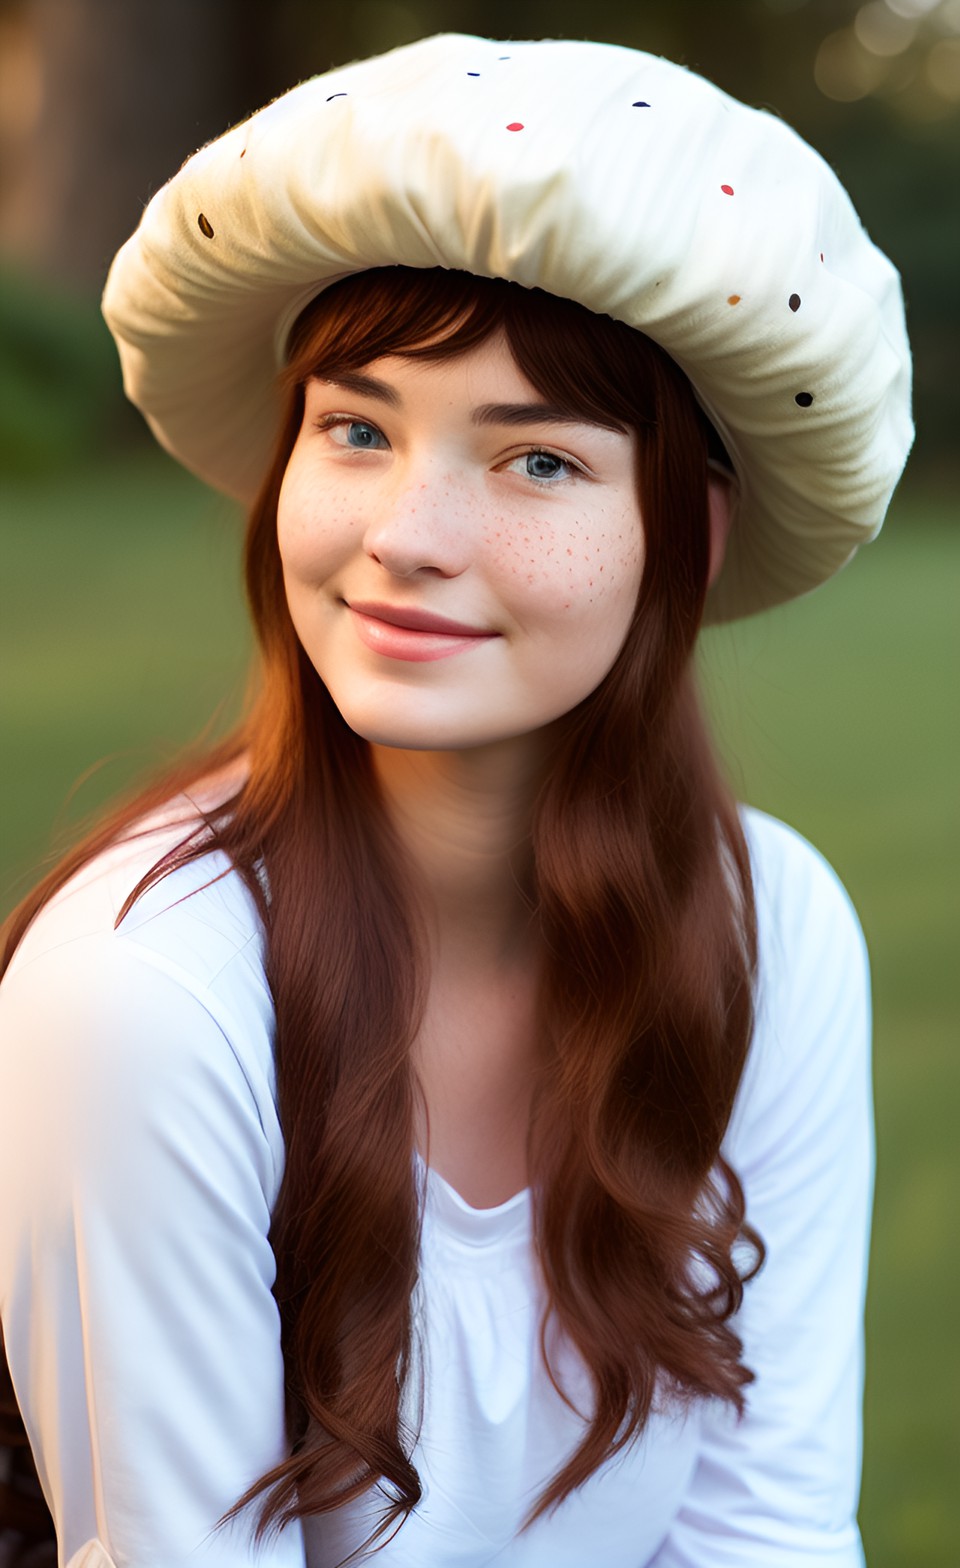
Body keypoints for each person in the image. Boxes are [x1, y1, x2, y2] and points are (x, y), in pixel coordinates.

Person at [0, 32, 911, 1568]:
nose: (408, 535)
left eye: (538, 461)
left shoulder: (773, 933)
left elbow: (768, 1531)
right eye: (358, 428)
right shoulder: (144, 997)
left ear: (682, 539)